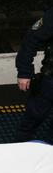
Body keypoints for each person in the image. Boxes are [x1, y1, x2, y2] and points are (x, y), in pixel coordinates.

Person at [15, 8, 53, 142]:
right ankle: (19, 149)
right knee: (33, 117)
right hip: (50, 80)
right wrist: (24, 72)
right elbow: (31, 40)